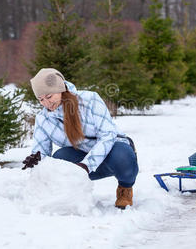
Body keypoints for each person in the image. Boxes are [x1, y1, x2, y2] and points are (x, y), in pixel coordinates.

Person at [22, 68, 138, 209]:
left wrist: (86, 165)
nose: (46, 103)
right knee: (59, 158)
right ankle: (72, 196)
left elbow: (108, 136)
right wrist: (36, 160)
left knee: (122, 155)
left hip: (112, 151)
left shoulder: (90, 100)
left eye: (49, 96)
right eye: (41, 99)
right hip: (82, 154)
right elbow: (42, 151)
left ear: (60, 89)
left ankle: (125, 189)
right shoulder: (43, 119)